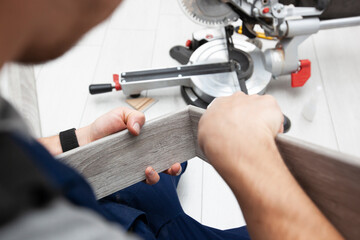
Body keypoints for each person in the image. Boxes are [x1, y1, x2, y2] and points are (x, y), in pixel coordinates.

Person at [0, 0, 343, 239]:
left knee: (170, 159)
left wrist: (82, 140)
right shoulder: (37, 226)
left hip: (95, 194)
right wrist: (247, 154)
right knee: (333, 220)